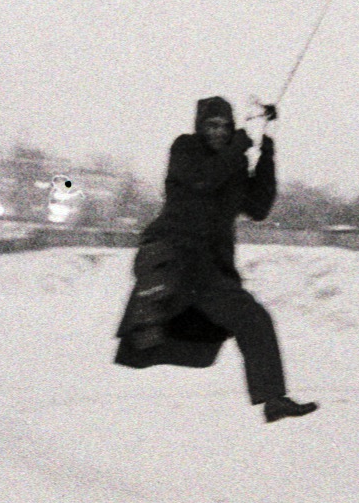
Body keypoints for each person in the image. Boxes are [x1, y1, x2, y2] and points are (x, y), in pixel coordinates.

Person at [114, 95, 318, 423]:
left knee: (254, 318)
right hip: (173, 254)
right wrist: (239, 146)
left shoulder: (234, 164)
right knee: (150, 321)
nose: (219, 131)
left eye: (225, 125)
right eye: (212, 124)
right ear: (199, 126)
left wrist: (267, 149)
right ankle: (145, 336)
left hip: (209, 269)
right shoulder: (185, 150)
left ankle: (274, 399)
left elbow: (259, 208)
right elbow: (201, 181)